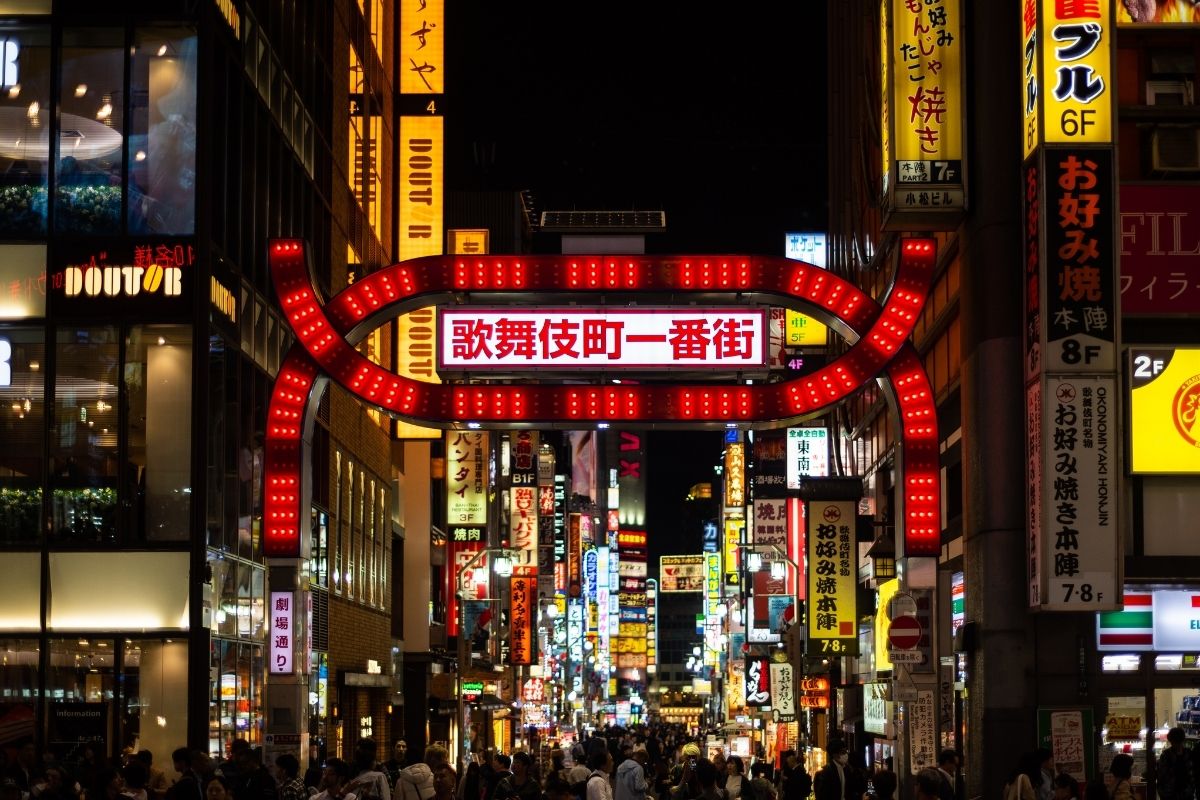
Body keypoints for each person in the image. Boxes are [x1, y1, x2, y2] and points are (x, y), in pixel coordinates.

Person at [1158, 728, 1193, 800]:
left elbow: (1161, 775)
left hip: (1177, 792)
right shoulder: (1188, 753)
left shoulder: (1166, 754)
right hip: (1176, 792)